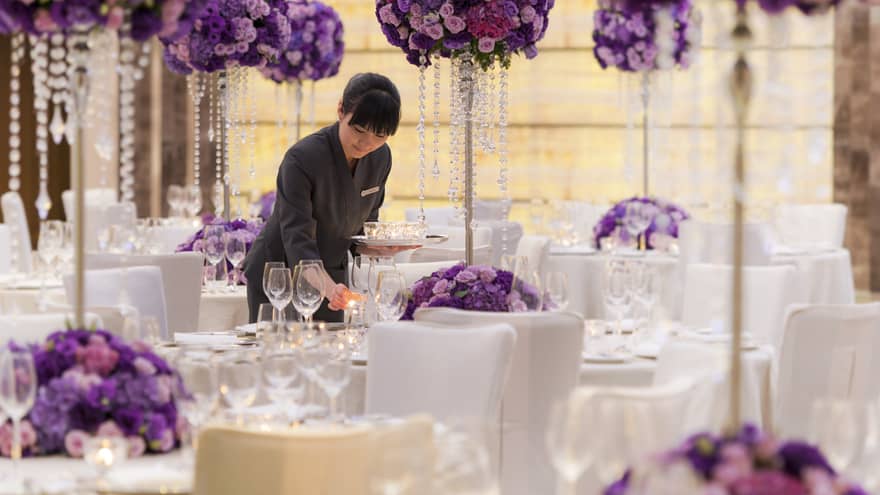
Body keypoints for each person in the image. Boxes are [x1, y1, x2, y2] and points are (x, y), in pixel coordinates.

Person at [243, 73, 404, 323]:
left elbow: (360, 233)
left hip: (331, 274)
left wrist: (381, 248)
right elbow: (297, 238)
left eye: (380, 136)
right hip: (280, 275)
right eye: (359, 130)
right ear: (341, 110)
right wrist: (328, 288)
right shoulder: (302, 158)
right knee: (281, 354)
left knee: (331, 353)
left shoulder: (381, 158)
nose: (367, 143)